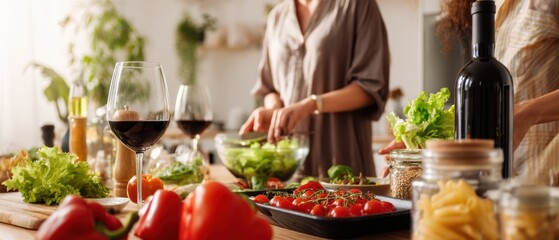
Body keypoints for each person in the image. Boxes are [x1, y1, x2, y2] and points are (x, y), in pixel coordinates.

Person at [380, 0, 559, 180]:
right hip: (490, 184)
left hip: (541, 181)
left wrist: (528, 113)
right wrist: (421, 140)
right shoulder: (491, 7)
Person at [239, 0, 390, 178]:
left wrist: (311, 104)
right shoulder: (277, 17)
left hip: (344, 166)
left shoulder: (357, 5)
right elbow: (270, 87)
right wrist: (274, 112)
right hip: (289, 171)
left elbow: (370, 88)